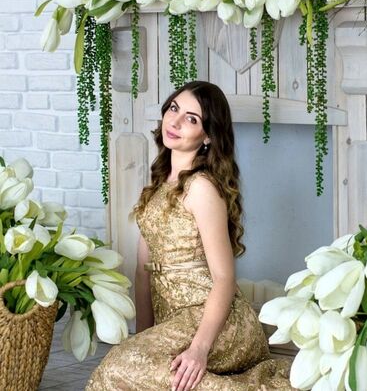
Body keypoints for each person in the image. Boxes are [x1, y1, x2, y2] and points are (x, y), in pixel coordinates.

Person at [86, 81, 292, 390]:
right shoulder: (157, 187)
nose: (176, 121)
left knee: (117, 366)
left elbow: (224, 278)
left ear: (207, 136)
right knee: (126, 365)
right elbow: (143, 272)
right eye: (174, 109)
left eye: (192, 119)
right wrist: (141, 340)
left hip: (218, 324)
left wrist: (199, 349)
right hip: (174, 320)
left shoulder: (201, 188)